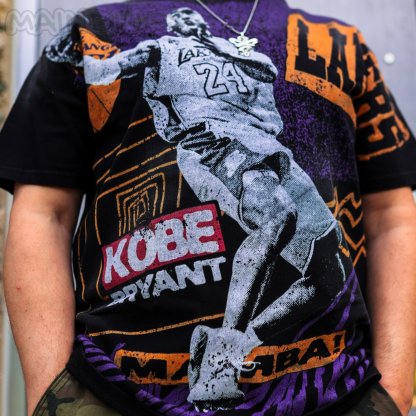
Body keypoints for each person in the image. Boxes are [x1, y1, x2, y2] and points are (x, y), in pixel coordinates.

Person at [0, 0, 415, 415]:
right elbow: (45, 212)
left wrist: (392, 394)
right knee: (277, 218)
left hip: (340, 393)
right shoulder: (108, 31)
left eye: (190, 19)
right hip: (211, 144)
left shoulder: (333, 41)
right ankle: (225, 350)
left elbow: (392, 218)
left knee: (328, 272)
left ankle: (231, 345)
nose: (184, 21)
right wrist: (53, 395)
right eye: (178, 20)